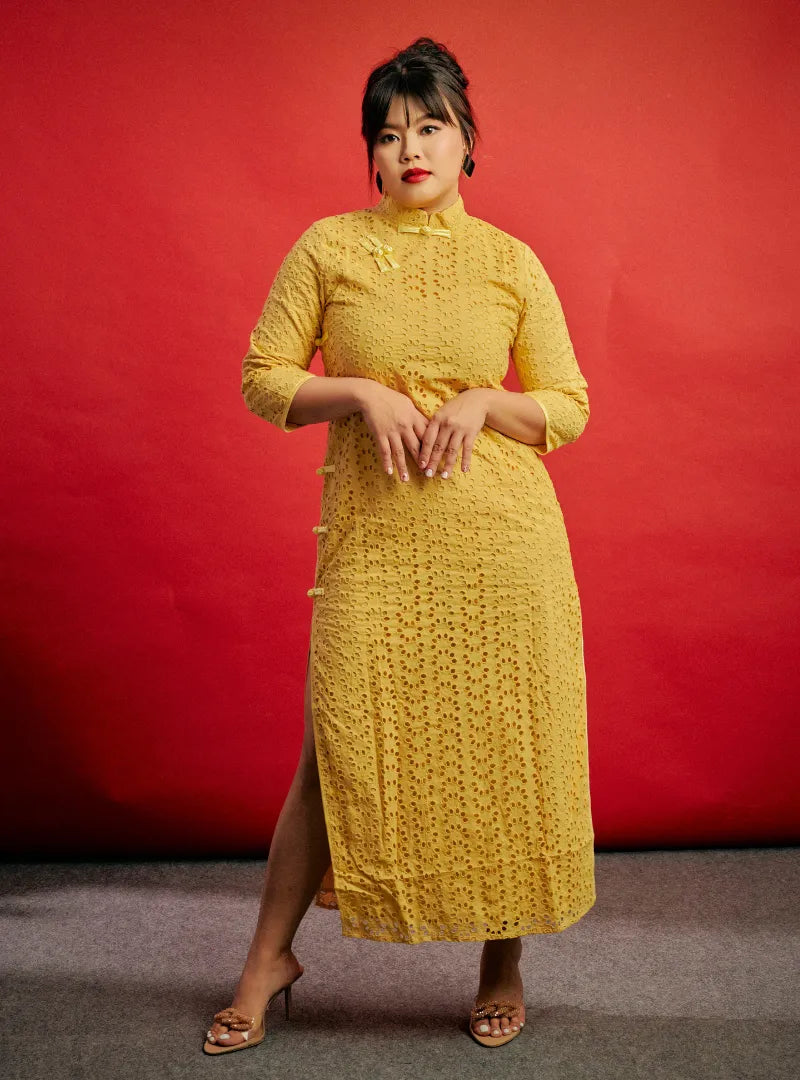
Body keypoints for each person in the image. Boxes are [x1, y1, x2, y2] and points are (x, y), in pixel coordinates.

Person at [203, 35, 595, 1055]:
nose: (408, 146)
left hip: (503, 547)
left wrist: (484, 401)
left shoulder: (509, 262)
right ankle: (267, 962)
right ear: (369, 156)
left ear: (467, 143)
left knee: (506, 749)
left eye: (428, 126)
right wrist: (360, 390)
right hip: (376, 547)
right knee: (332, 749)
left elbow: (569, 404)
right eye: (387, 133)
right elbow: (262, 378)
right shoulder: (328, 248)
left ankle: (501, 963)